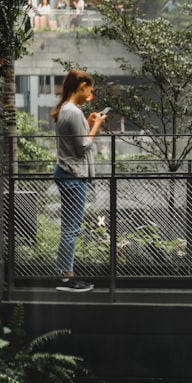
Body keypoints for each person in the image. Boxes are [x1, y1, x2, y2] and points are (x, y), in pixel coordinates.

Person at [52, 69, 108, 292]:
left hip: (67, 173)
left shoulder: (69, 109)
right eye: (90, 90)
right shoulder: (72, 112)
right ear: (82, 85)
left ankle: (65, 275)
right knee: (72, 229)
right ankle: (66, 278)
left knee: (70, 227)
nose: (90, 95)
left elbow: (75, 137)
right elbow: (83, 146)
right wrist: (97, 125)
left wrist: (88, 120)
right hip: (73, 175)